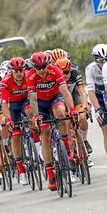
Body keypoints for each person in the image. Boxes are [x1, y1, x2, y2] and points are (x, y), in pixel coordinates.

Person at [26, 51, 75, 191]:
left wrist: (71, 110)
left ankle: (66, 146)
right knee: (45, 134)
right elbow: (33, 98)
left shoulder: (55, 71)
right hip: (40, 103)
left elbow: (65, 91)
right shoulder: (30, 75)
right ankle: (51, 177)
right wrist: (36, 116)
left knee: (61, 113)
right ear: (34, 66)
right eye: (38, 67)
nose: (42, 70)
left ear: (48, 64)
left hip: (54, 98)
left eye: (44, 67)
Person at [86, 44, 107, 181]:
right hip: (100, 97)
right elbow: (91, 92)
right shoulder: (90, 69)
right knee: (106, 129)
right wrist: (98, 109)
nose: (104, 63)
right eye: (101, 61)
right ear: (96, 61)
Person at [55, 56, 93, 166]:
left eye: (67, 72)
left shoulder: (75, 73)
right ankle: (70, 152)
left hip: (75, 96)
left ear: (70, 69)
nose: (65, 75)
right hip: (61, 99)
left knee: (82, 117)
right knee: (66, 123)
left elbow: (81, 90)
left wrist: (85, 105)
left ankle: (84, 142)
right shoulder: (55, 77)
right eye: (62, 73)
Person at [1, 57, 31, 185]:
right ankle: (21, 172)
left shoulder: (28, 76)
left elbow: (33, 95)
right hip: (12, 106)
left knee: (30, 113)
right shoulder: (6, 81)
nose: (19, 73)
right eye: (16, 70)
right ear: (11, 71)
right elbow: (4, 104)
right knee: (16, 135)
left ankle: (37, 145)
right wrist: (8, 119)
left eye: (21, 70)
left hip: (25, 102)